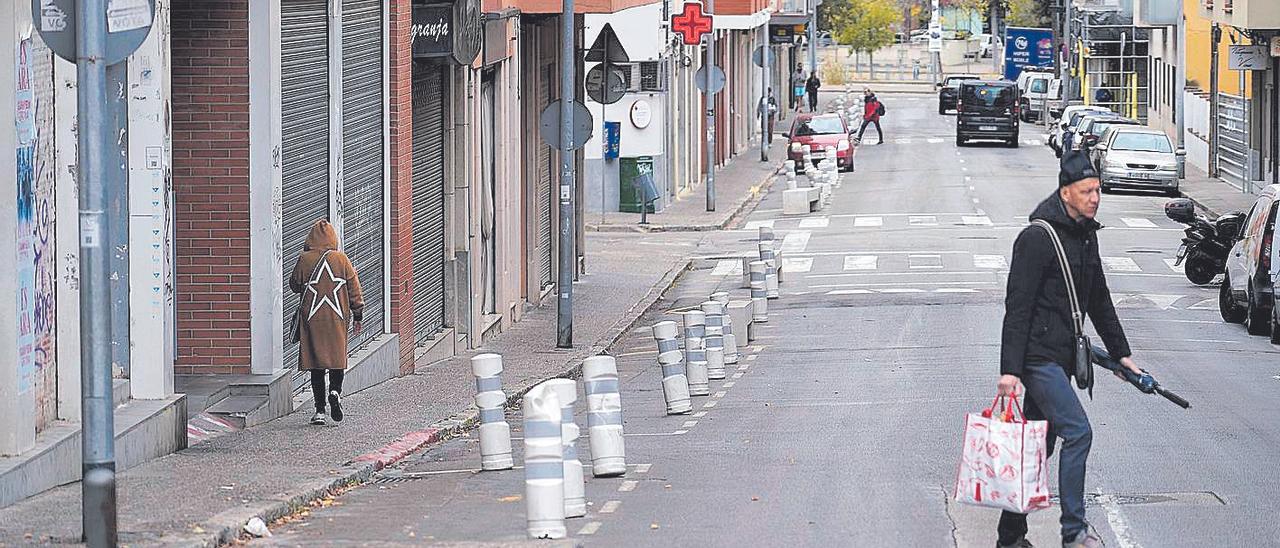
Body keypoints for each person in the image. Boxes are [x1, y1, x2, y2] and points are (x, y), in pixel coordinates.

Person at [995, 151, 1145, 548]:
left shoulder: (1085, 235)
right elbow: (1018, 306)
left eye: (1097, 190)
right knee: (1078, 432)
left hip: (1062, 358)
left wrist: (1121, 354)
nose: (1095, 197)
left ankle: (1010, 535)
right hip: (1037, 358)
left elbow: (1099, 298)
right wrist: (1010, 370)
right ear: (1066, 192)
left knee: (1038, 446)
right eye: (1086, 191)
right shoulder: (1036, 238)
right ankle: (1073, 532)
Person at [290, 219, 364, 426]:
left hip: (312, 320)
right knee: (336, 359)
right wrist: (358, 315)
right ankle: (335, 391)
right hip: (337, 318)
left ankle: (320, 410)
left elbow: (294, 285)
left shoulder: (304, 259)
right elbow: (354, 290)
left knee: (316, 365)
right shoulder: (341, 259)